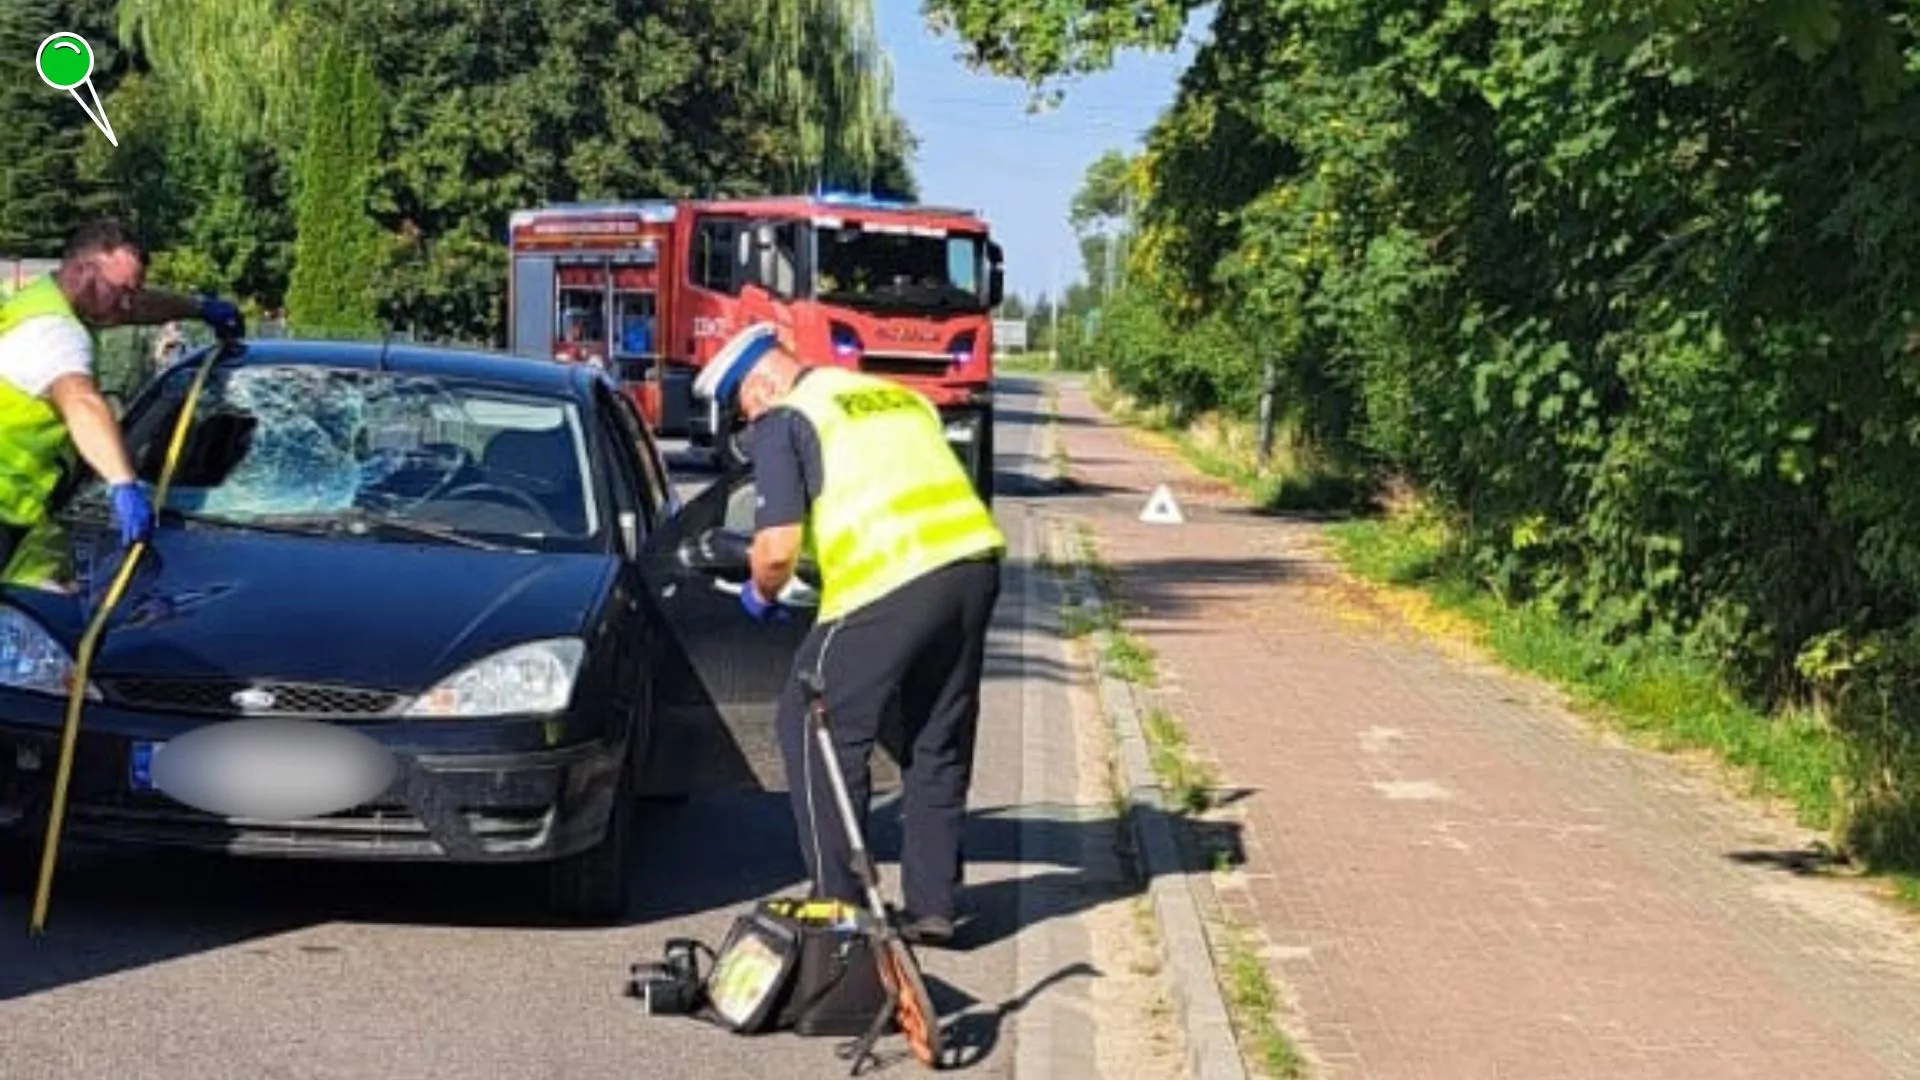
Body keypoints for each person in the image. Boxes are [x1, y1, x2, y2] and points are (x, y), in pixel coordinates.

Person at [692, 321, 1006, 948]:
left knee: (812, 728)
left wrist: (760, 590)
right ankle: (933, 906)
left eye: (742, 406)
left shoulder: (786, 420)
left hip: (885, 580)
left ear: (761, 383)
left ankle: (841, 905)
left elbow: (776, 548)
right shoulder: (894, 397)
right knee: (936, 738)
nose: (746, 422)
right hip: (971, 565)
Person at [0, 218, 245, 576]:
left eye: (134, 292)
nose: (129, 305)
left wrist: (199, 307)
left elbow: (139, 306)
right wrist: (123, 483)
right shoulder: (55, 333)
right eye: (122, 291)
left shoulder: (47, 299)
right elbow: (82, 403)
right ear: (85, 272)